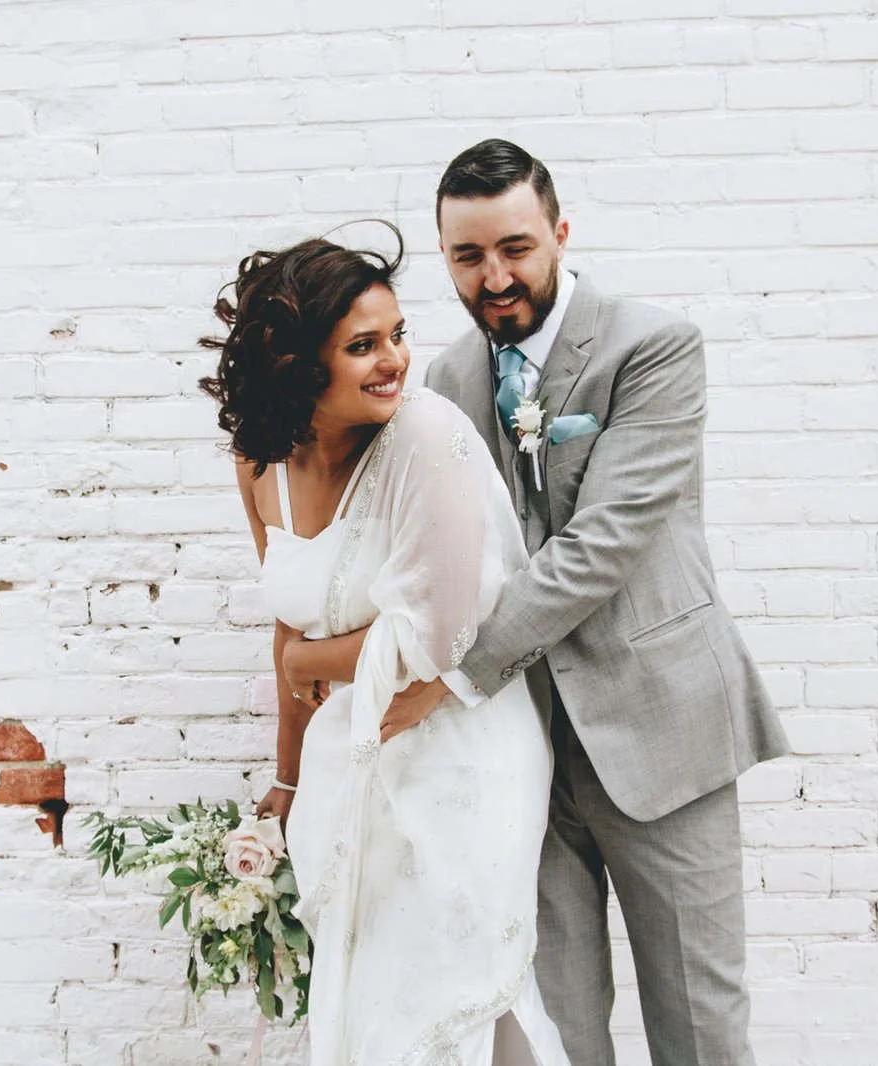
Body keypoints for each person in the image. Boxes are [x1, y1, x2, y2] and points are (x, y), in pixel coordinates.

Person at [387, 139, 792, 1066]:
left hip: (661, 732)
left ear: (560, 232)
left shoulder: (651, 347)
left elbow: (602, 545)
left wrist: (455, 678)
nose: (495, 278)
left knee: (699, 1025)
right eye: (467, 257)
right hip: (524, 757)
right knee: (553, 1029)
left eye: (516, 248)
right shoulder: (446, 384)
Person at [201, 231, 571, 1066]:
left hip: (458, 755)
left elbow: (439, 634)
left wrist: (305, 667)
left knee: (447, 1004)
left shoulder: (428, 437)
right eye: (362, 346)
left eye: (397, 334)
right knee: (368, 1007)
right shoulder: (258, 463)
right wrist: (288, 780)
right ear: (297, 365)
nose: (394, 360)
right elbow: (288, 623)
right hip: (350, 759)